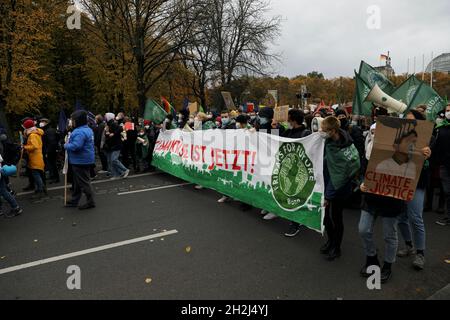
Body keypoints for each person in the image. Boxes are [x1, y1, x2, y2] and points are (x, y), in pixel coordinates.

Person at [321, 116, 360, 261]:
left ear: (333, 131)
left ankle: (336, 247)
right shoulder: (329, 141)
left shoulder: (345, 145)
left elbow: (341, 174)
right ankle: (330, 241)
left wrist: (328, 196)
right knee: (325, 217)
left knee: (336, 217)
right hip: (327, 184)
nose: (321, 132)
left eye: (324, 130)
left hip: (340, 188)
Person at [396, 110, 432, 270]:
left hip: (417, 182)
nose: (407, 123)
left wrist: (429, 153)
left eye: (410, 120)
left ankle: (420, 253)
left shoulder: (428, 137)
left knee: (415, 217)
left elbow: (433, 156)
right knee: (401, 216)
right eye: (405, 120)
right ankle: (409, 245)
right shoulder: (398, 135)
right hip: (400, 180)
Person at [281, 109, 312, 237]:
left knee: (296, 196)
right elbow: (274, 140)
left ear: (293, 119)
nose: (287, 120)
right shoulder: (288, 132)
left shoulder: (306, 133)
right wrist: (272, 127)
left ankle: (295, 223)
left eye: (288, 117)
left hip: (299, 170)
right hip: (288, 169)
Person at [64, 110, 96, 210]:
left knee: (84, 182)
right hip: (84, 159)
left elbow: (76, 146)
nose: (71, 122)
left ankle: (90, 201)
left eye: (72, 120)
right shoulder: (87, 129)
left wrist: (66, 145)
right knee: (77, 182)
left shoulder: (79, 132)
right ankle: (75, 200)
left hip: (80, 161)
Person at [434, 104, 450, 226]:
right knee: (447, 192)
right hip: (445, 165)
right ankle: (448, 217)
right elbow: (437, 146)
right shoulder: (442, 128)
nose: (448, 112)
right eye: (447, 110)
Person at [22, 119, 46, 199]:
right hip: (37, 157)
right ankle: (41, 189)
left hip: (35, 157)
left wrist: (25, 147)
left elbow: (34, 146)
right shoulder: (35, 132)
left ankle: (40, 190)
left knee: (36, 175)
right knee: (38, 175)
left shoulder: (32, 135)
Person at [104, 113, 130, 180]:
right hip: (113, 144)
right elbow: (108, 135)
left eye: (106, 116)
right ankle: (117, 174)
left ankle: (125, 170)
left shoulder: (113, 123)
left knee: (114, 159)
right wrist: (107, 133)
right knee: (112, 160)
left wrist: (113, 134)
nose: (105, 117)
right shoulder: (109, 124)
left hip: (117, 144)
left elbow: (121, 129)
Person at [39, 118, 60, 183]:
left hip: (50, 151)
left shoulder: (49, 131)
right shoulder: (46, 130)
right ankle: (53, 177)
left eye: (43, 121)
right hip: (50, 150)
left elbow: (52, 142)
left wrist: (48, 151)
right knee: (51, 164)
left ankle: (55, 178)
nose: (41, 123)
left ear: (47, 123)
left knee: (52, 165)